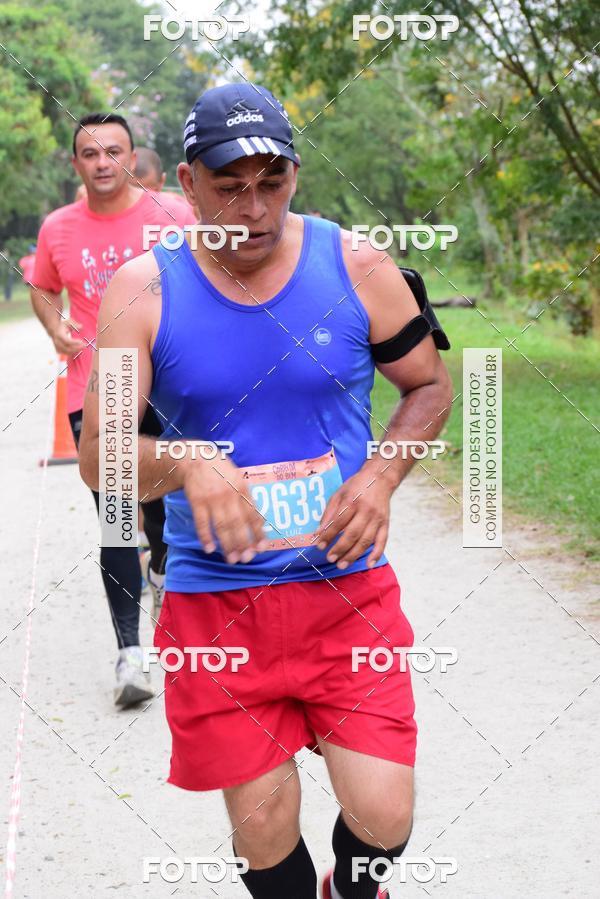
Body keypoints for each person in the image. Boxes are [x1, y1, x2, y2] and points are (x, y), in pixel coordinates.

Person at [79, 84, 452, 898]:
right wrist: (188, 460)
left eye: (272, 183)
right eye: (229, 187)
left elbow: (428, 385)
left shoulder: (358, 265)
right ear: (187, 183)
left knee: (384, 813)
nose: (253, 210)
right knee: (264, 827)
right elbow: (100, 454)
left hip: (346, 592)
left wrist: (382, 474)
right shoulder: (143, 290)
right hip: (219, 608)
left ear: (295, 174)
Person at [30, 112, 196, 707]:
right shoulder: (58, 227)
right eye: (90, 153)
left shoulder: (174, 214)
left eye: (113, 151)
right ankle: (131, 655)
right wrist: (55, 326)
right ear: (76, 163)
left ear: (131, 156)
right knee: (118, 519)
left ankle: (164, 575)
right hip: (100, 388)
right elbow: (43, 285)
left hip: (170, 383)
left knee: (170, 517)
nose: (102, 163)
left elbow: (216, 272)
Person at [132, 146, 198, 219]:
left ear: (162, 180)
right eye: (135, 193)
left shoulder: (183, 209)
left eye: (153, 193)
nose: (145, 200)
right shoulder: (183, 208)